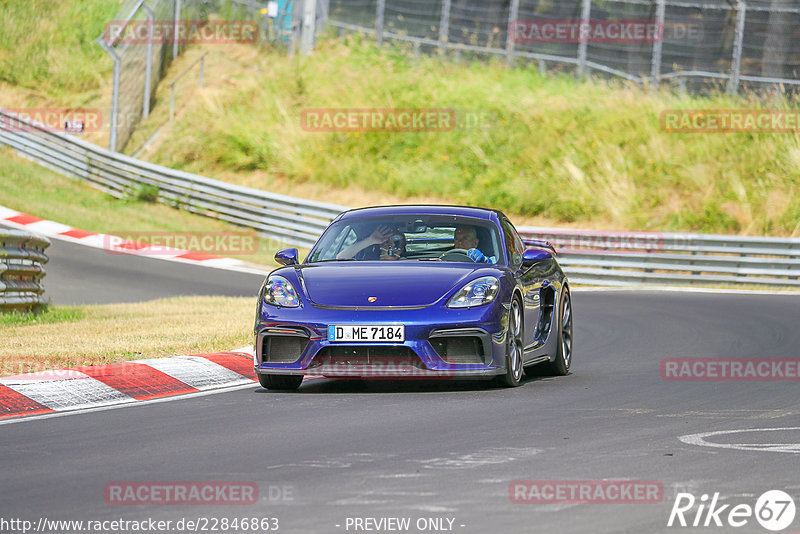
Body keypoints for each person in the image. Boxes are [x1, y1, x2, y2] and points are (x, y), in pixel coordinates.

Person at [337, 224, 406, 260]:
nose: (393, 246)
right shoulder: (368, 263)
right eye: (388, 243)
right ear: (381, 245)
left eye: (398, 245)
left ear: (402, 249)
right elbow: (340, 258)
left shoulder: (409, 265)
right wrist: (370, 240)